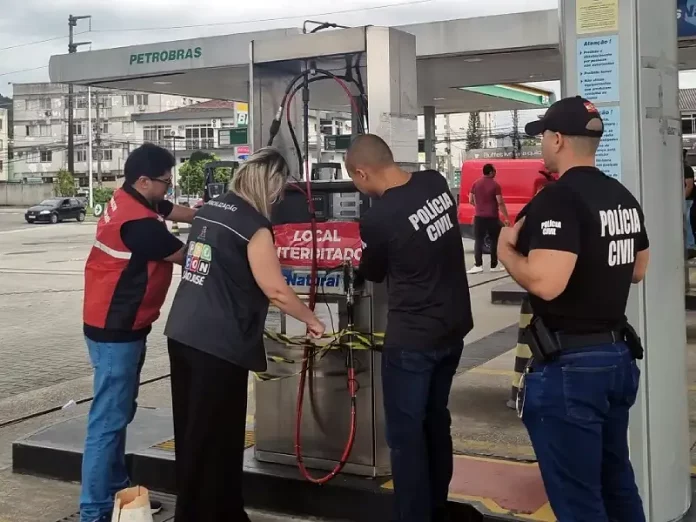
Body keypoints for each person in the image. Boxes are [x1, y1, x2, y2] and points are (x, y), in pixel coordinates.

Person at [498, 96, 649, 521]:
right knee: (616, 481)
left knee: (579, 500)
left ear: (558, 139)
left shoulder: (558, 199)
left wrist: (507, 252)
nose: (543, 143)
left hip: (571, 369)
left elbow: (547, 283)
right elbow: (639, 268)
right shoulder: (620, 195)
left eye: (544, 135)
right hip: (616, 359)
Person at [163, 147, 325, 522]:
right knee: (220, 438)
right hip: (218, 346)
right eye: (281, 190)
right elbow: (277, 290)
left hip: (183, 333)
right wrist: (312, 320)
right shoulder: (254, 226)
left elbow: (196, 258)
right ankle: (219, 514)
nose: (281, 198)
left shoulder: (212, 209)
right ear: (271, 187)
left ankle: (194, 512)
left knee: (192, 436)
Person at [345, 134, 473, 522]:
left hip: (413, 340)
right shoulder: (435, 182)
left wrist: (358, 260)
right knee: (436, 420)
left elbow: (374, 270)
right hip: (453, 328)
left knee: (404, 437)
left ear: (362, 173)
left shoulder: (378, 217)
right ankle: (436, 506)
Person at [80, 143, 197, 522]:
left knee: (118, 413)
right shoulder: (139, 225)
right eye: (165, 182)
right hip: (116, 330)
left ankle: (118, 496)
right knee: (108, 421)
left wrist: (212, 214)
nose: (168, 189)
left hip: (113, 323)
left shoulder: (130, 197)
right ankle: (95, 512)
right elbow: (188, 256)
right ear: (144, 180)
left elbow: (174, 210)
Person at [467, 163, 509, 274]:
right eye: (494, 171)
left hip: (479, 217)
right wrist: (506, 217)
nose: (495, 173)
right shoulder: (495, 185)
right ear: (490, 172)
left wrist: (479, 207)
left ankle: (478, 265)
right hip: (492, 218)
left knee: (478, 241)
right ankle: (493, 266)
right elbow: (500, 202)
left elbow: (470, 199)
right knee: (494, 241)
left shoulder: (476, 183)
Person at [684, 149, 696, 255]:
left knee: (687, 223)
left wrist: (681, 199)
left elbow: (689, 186)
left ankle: (691, 246)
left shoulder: (687, 169)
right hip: (685, 200)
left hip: (688, 200)